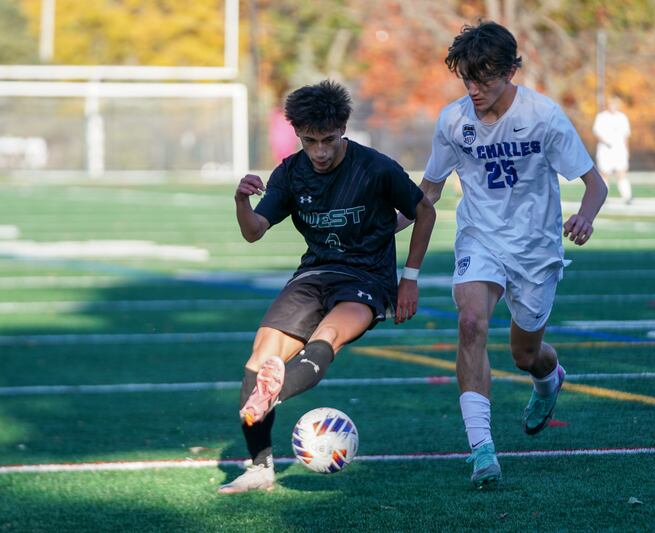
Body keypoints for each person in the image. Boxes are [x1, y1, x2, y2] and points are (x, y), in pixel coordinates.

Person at [398, 21, 607, 488]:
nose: (474, 89)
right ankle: (482, 450)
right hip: (481, 239)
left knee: (525, 353)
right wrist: (382, 226)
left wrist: (585, 217)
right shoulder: (453, 121)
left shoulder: (545, 116)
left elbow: (595, 184)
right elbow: (428, 191)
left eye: (485, 79)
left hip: (536, 249)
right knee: (471, 323)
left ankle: (548, 381)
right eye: (467, 79)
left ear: (512, 70)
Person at [220, 80, 436, 494]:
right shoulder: (291, 172)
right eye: (309, 141)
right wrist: (241, 203)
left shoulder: (375, 167)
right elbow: (254, 233)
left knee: (327, 336)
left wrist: (409, 279)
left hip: (368, 278)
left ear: (343, 130)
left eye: (328, 140)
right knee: (261, 354)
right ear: (298, 135)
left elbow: (424, 213)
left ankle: (271, 395)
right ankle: (260, 467)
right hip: (315, 274)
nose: (319, 151)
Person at [593, 95, 633, 204]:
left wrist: (626, 150)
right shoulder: (602, 117)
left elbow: (626, 136)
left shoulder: (622, 118)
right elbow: (597, 133)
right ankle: (603, 197)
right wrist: (606, 142)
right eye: (612, 104)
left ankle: (627, 197)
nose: (614, 106)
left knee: (621, 173)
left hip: (619, 150)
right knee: (605, 174)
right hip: (605, 150)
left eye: (616, 104)